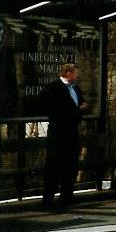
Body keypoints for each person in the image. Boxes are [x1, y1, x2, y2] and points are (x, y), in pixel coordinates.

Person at [42, 63, 89, 209]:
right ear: (68, 73)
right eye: (75, 73)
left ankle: (67, 196)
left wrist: (80, 108)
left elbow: (82, 103)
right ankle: (48, 199)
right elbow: (52, 108)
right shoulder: (53, 87)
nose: (77, 76)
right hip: (58, 132)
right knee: (54, 165)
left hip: (72, 131)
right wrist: (75, 110)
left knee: (70, 164)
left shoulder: (75, 88)